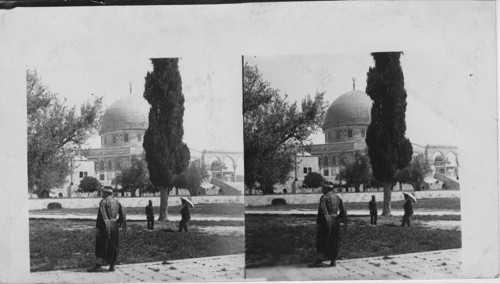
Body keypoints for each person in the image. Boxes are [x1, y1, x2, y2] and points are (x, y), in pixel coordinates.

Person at [87, 188, 127, 272]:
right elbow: (123, 215)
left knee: (101, 245)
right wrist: (118, 222)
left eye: (102, 192)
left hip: (105, 226)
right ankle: (112, 266)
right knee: (113, 245)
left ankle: (98, 266)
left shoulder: (103, 201)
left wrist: (98, 227)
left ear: (106, 193)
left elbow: (101, 216)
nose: (101, 194)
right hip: (114, 225)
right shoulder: (116, 202)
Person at [309, 183, 346, 268]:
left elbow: (323, 210)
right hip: (335, 221)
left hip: (325, 222)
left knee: (322, 240)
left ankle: (319, 259)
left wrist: (321, 221)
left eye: (323, 188)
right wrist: (338, 217)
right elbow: (343, 210)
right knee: (334, 240)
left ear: (326, 189)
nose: (322, 190)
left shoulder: (324, 197)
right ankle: (333, 261)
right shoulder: (337, 197)